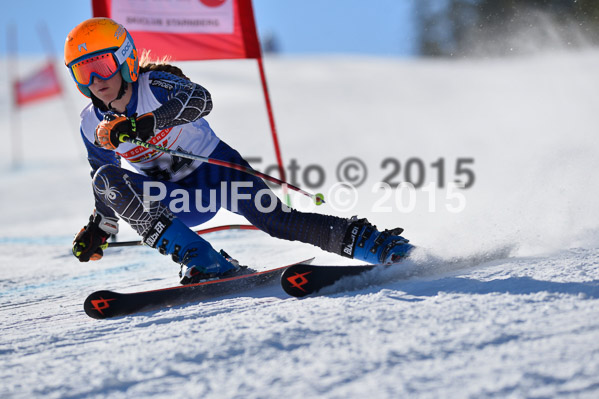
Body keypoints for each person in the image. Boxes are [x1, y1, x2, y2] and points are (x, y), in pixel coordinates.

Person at [66, 17, 413, 284]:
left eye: (102, 66)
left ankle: (382, 246)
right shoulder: (89, 124)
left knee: (277, 222)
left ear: (125, 58)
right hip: (174, 200)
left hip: (217, 174)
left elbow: (200, 100)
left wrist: (145, 125)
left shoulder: (154, 85)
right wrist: (102, 226)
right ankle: (204, 261)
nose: (95, 81)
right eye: (83, 73)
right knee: (105, 175)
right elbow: (104, 179)